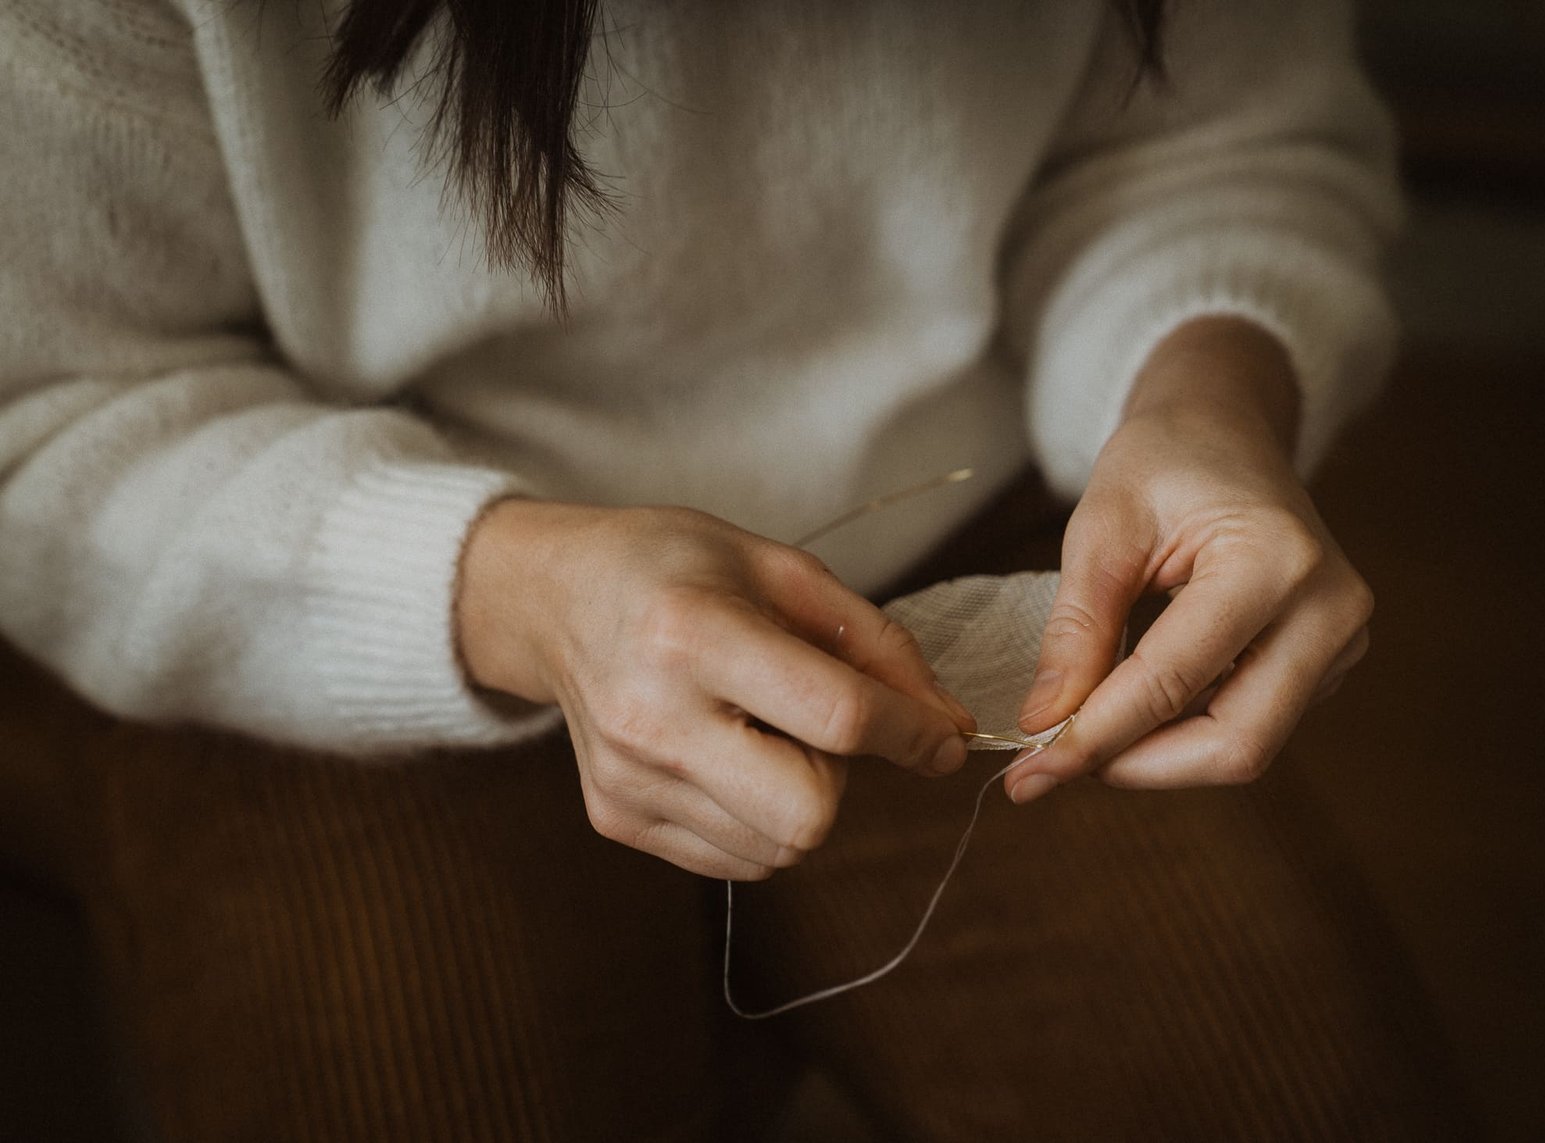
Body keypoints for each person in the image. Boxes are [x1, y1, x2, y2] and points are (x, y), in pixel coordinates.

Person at [0, 0, 1464, 1138]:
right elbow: (46, 405)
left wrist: (1202, 392)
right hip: (301, 572)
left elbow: (1210, 140)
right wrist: (508, 592)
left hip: (993, 520)